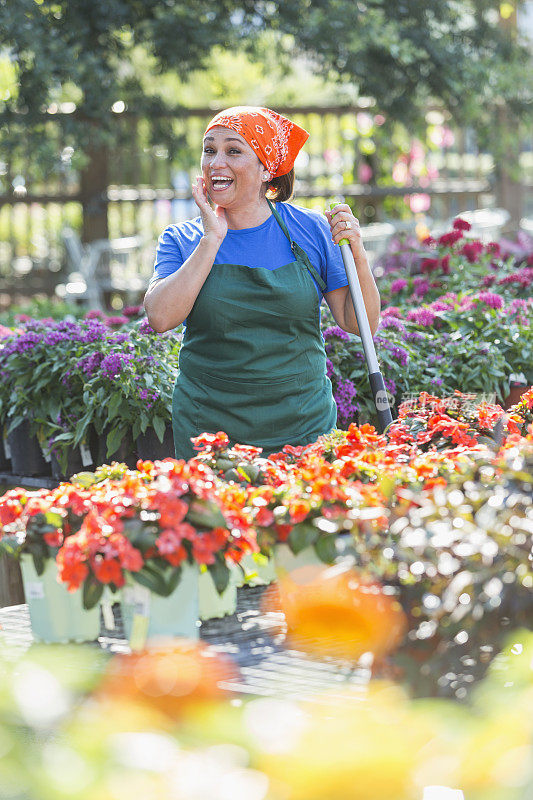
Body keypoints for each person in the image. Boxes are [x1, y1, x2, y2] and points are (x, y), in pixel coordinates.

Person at [144, 106, 380, 461]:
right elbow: (160, 318)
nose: (215, 162)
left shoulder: (312, 230)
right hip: (210, 433)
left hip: (303, 425)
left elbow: (359, 322)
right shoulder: (182, 239)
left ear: (266, 168)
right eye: (209, 150)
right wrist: (211, 240)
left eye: (233, 150)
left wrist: (358, 254)